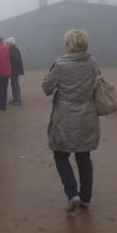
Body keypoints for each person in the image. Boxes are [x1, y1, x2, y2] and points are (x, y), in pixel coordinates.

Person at [42, 29, 100, 213]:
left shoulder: (60, 65)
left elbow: (47, 88)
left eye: (65, 43)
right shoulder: (92, 62)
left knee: (60, 155)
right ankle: (86, 197)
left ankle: (71, 192)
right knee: (83, 156)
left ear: (70, 45)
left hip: (65, 117)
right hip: (87, 115)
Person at [0, 37, 12, 110]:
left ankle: (1, 105)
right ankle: (4, 104)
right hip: (7, 71)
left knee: (0, 89)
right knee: (4, 88)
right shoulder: (6, 48)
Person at [6, 37, 25, 105]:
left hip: (14, 70)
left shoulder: (14, 50)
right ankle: (16, 98)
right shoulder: (13, 49)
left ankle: (17, 99)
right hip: (14, 70)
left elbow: (14, 61)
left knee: (15, 85)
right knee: (14, 84)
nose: (6, 44)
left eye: (7, 43)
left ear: (10, 43)